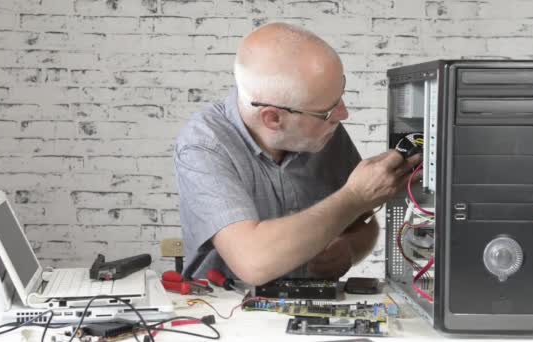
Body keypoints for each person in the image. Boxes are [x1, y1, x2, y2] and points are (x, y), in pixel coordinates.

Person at [174, 22, 420, 285]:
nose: (343, 114)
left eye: (340, 97)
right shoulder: (204, 146)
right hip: (229, 313)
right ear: (273, 118)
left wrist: (350, 249)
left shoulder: (322, 130)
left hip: (312, 307)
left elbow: (362, 222)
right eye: (328, 110)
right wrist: (354, 196)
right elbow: (252, 262)